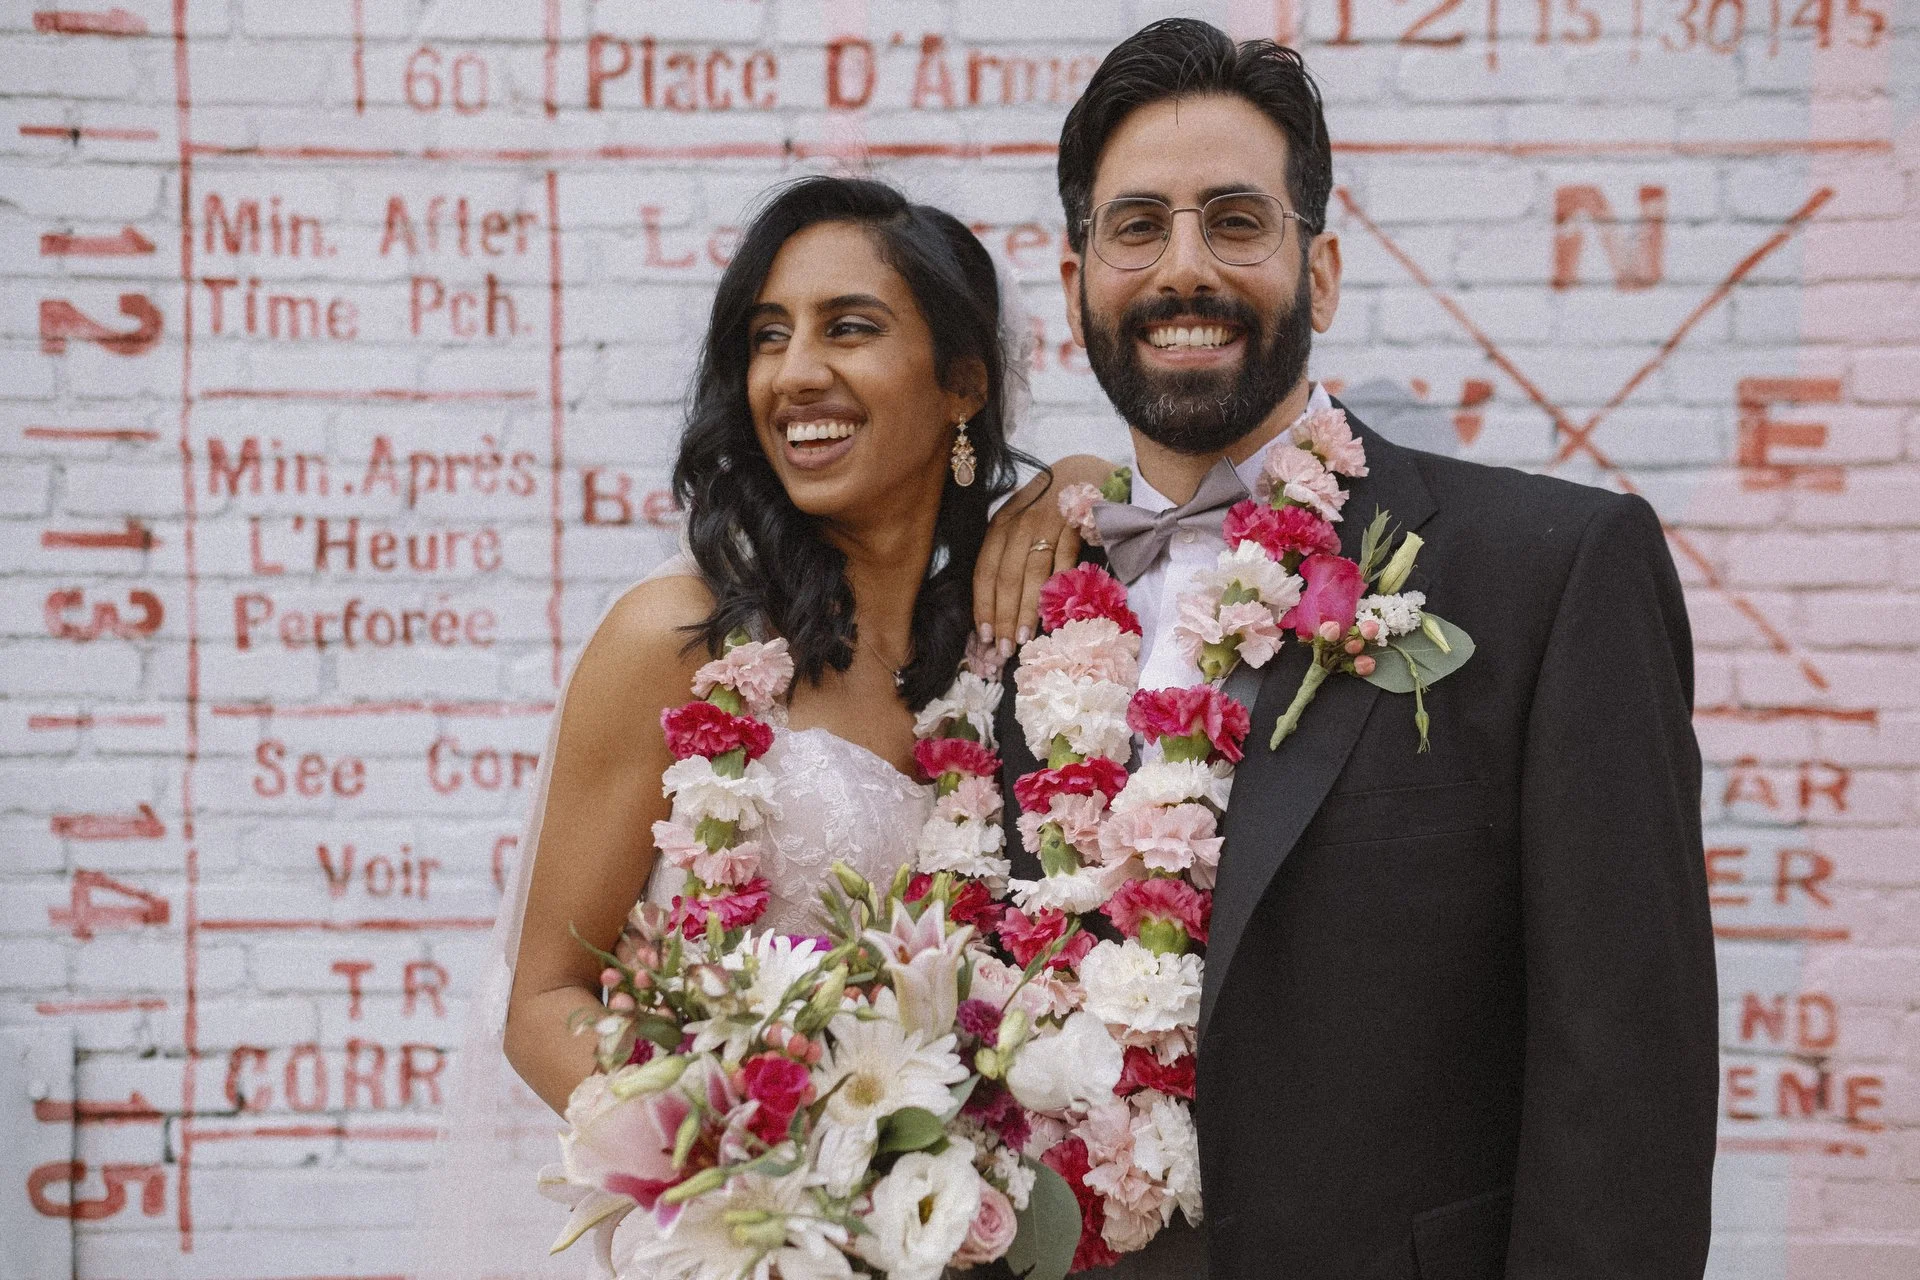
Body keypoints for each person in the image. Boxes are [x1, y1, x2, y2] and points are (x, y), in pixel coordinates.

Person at [993, 20, 1720, 1279]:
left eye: (1235, 220)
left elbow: (1628, 1079)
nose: (1184, 269)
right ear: (1077, 290)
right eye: (1137, 227)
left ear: (1318, 274)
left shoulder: (1549, 570)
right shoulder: (1018, 608)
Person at [417, 175, 1110, 1275]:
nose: (794, 374)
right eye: (767, 337)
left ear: (963, 383)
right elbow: (542, 998)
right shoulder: (676, 639)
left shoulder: (999, 655)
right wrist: (765, 1187)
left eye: (850, 328)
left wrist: (1087, 480)